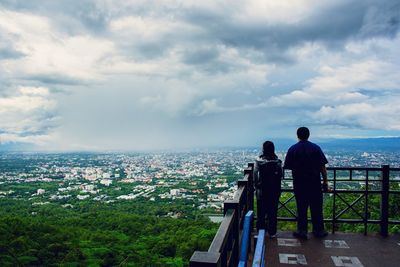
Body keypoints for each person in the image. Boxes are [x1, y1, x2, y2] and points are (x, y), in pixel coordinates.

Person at [284, 127, 329, 239]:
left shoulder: (293, 149)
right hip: (314, 183)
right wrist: (325, 181)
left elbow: (288, 166)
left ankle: (302, 231)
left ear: (297, 135)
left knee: (301, 208)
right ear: (308, 135)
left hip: (299, 183)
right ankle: (318, 230)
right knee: (316, 208)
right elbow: (322, 166)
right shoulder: (316, 148)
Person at [254, 141, 283, 238]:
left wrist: (256, 185)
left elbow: (255, 175)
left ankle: (260, 231)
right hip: (274, 190)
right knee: (273, 211)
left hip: (262, 190)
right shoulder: (277, 162)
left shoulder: (259, 162)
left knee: (261, 212)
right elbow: (281, 175)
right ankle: (272, 232)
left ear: (263, 149)